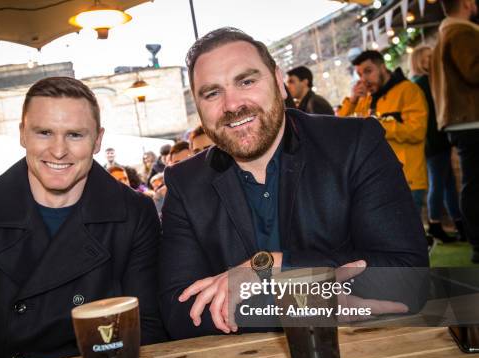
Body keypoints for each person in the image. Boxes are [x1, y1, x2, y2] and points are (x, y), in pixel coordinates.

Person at [159, 28, 428, 340]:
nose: (232, 105)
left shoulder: (354, 145)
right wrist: (311, 299)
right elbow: (182, 315)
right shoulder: (185, 182)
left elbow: (407, 280)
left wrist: (269, 267)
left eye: (246, 81)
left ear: (278, 81)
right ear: (198, 106)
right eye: (212, 93)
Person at [0, 77, 167, 358]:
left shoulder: (135, 214)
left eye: (75, 134)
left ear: (98, 139)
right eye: (44, 132)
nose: (59, 150)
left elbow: (148, 330)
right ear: (23, 133)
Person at [338, 50, 428, 214]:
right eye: (360, 74)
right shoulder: (366, 99)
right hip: (375, 178)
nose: (364, 79)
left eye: (368, 71)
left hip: (407, 178)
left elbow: (417, 132)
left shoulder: (408, 90)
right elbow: (340, 127)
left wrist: (378, 125)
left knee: (408, 236)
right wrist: (352, 101)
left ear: (382, 67)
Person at [430, 0, 479, 262]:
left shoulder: (444, 36)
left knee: (470, 184)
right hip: (472, 119)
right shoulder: (461, 32)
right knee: (473, 185)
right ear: (466, 3)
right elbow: (474, 72)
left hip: (460, 121)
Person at [410, 46, 464, 243]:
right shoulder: (423, 83)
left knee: (447, 184)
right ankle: (435, 225)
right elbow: (430, 117)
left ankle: (458, 224)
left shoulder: (420, 82)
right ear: (419, 61)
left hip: (435, 141)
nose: (433, 60)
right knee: (439, 184)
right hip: (434, 142)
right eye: (428, 58)